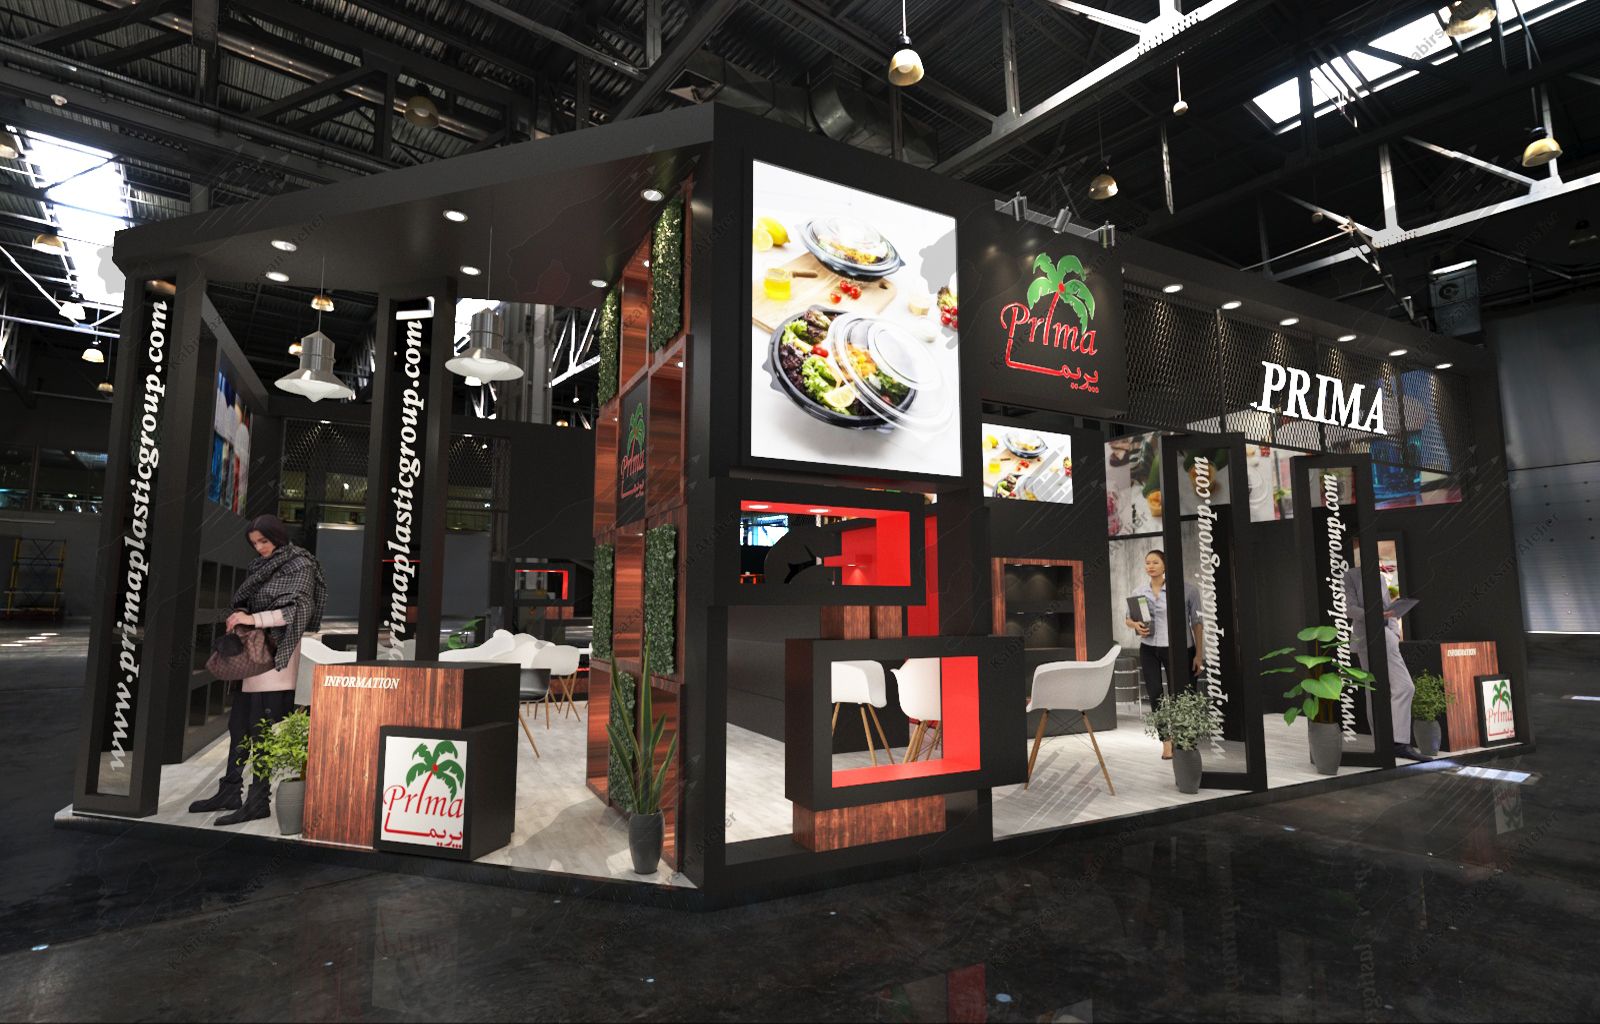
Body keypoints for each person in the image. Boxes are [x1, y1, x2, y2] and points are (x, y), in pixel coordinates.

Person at [190, 514, 327, 824]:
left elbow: (298, 609)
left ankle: (258, 800)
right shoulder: (258, 567)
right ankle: (229, 791)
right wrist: (240, 612)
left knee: (262, 732)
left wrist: (253, 619)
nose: (259, 548)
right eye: (254, 543)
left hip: (275, 659)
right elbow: (249, 602)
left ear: (278, 536)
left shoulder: (299, 563)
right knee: (238, 726)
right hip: (250, 658)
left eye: (264, 541)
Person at [1125, 549, 1203, 760]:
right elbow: (1129, 619)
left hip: (1179, 648)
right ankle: (1166, 742)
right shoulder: (1139, 592)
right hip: (1149, 648)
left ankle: (1183, 738)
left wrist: (1198, 655)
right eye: (1147, 562)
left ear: (1165, 566)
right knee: (1155, 694)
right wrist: (1135, 625)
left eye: (1155, 562)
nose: (1150, 566)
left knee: (1181, 695)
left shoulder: (1188, 591)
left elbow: (1197, 624)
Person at [1347, 566, 1426, 761]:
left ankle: (1397, 742)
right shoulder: (1351, 575)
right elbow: (1350, 609)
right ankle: (1385, 742)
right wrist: (1375, 615)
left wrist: (1394, 633)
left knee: (1403, 687)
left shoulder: (1380, 577)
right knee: (1374, 691)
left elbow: (1388, 608)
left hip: (1386, 635)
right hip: (1365, 636)